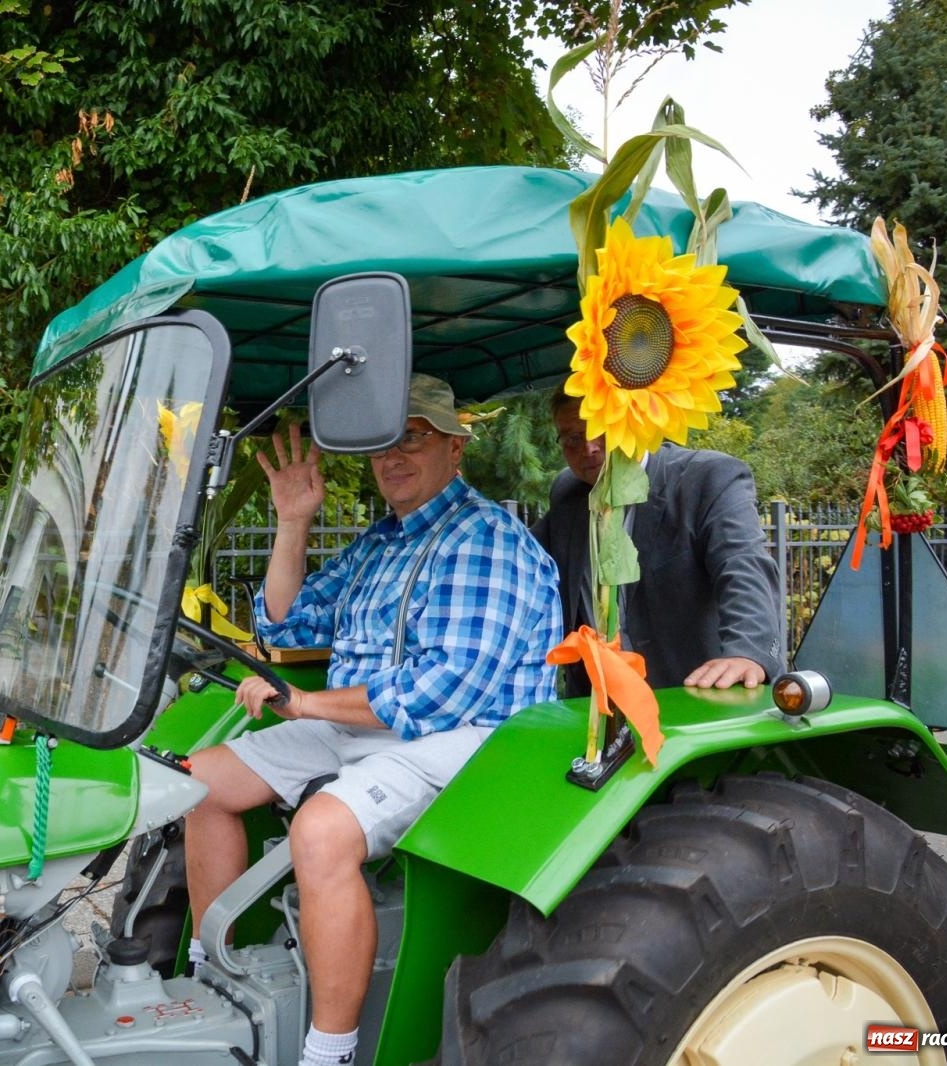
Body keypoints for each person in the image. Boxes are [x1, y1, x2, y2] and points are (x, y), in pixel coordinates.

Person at [183, 374, 562, 1066]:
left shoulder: (484, 538)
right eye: (381, 443)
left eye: (412, 437)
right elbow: (287, 617)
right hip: (364, 725)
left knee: (321, 832)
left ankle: (330, 1051)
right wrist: (292, 521)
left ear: (455, 447)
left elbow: (444, 691)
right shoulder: (381, 542)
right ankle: (217, 980)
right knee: (198, 783)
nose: (392, 456)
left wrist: (305, 704)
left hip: (473, 740)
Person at [531, 388, 783, 695]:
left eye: (601, 429)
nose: (588, 447)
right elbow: (521, 559)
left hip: (694, 697)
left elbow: (743, 565)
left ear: (634, 420)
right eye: (571, 439)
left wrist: (748, 650)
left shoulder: (706, 479)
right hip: (596, 709)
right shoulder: (569, 492)